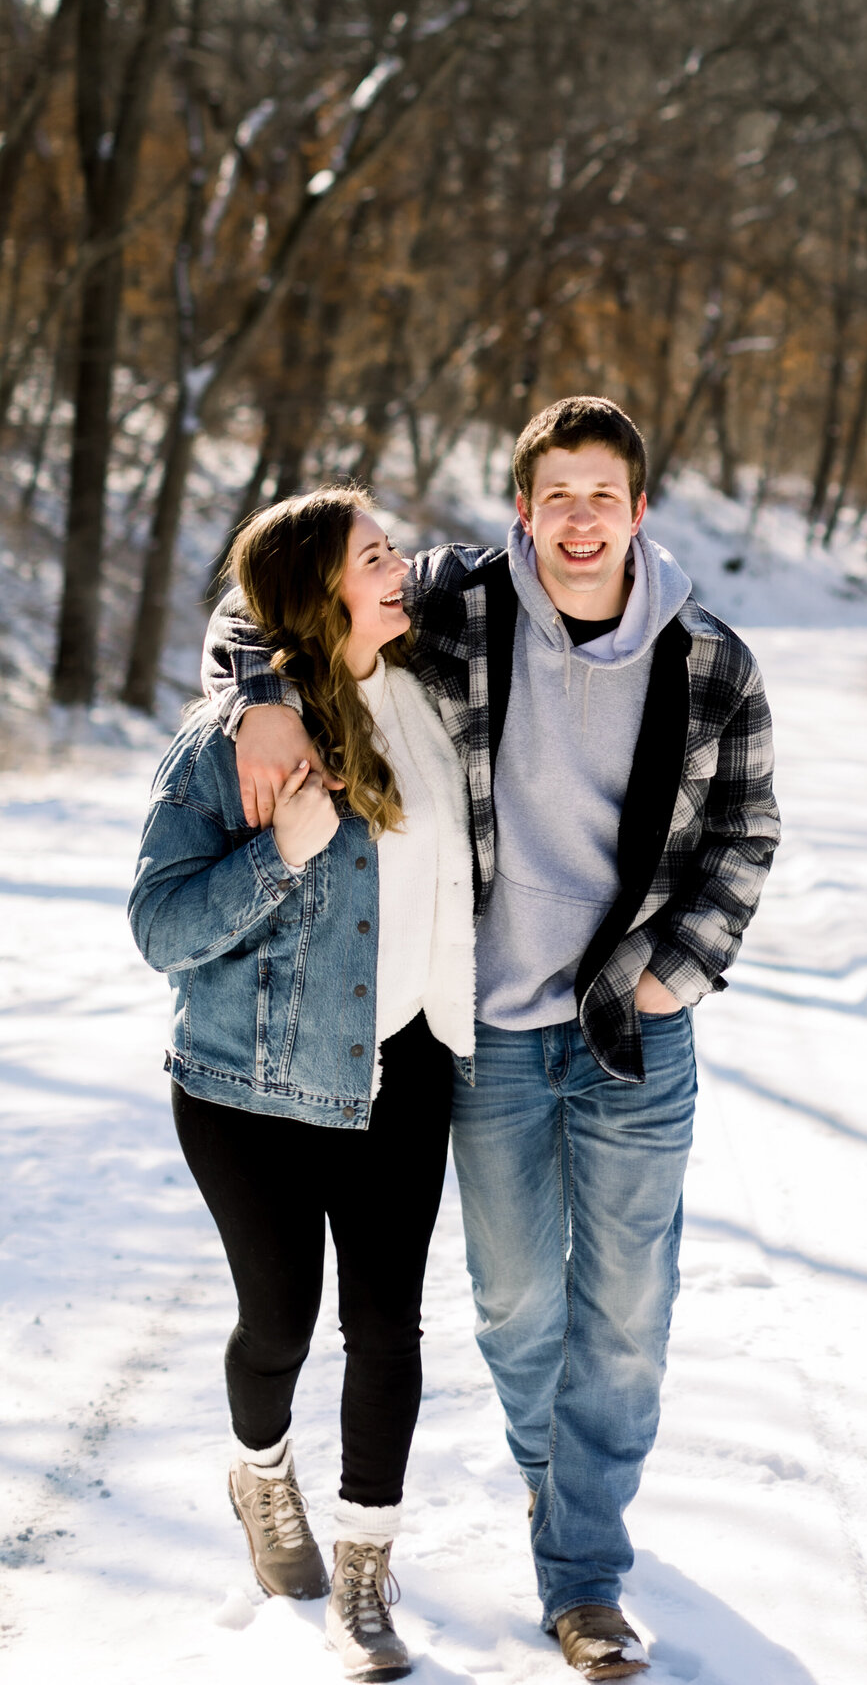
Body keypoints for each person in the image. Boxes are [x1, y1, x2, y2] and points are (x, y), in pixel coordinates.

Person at [203, 398, 780, 1682]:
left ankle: (582, 1577)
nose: (580, 519)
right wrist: (261, 705)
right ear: (524, 512)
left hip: (634, 1031)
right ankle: (558, 1486)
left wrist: (675, 977)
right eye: (556, 496)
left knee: (625, 1313)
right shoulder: (455, 604)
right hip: (488, 1034)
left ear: (641, 512)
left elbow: (746, 836)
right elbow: (268, 599)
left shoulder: (711, 659)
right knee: (517, 1306)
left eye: (604, 497)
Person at [130, 488, 474, 1684]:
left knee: (387, 1328)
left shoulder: (436, 694)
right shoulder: (230, 746)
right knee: (277, 1324)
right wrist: (279, 856)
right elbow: (160, 925)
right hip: (249, 1088)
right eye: (375, 557)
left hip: (405, 1071)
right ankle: (261, 1476)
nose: (403, 571)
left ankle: (367, 1566)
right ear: (322, 595)